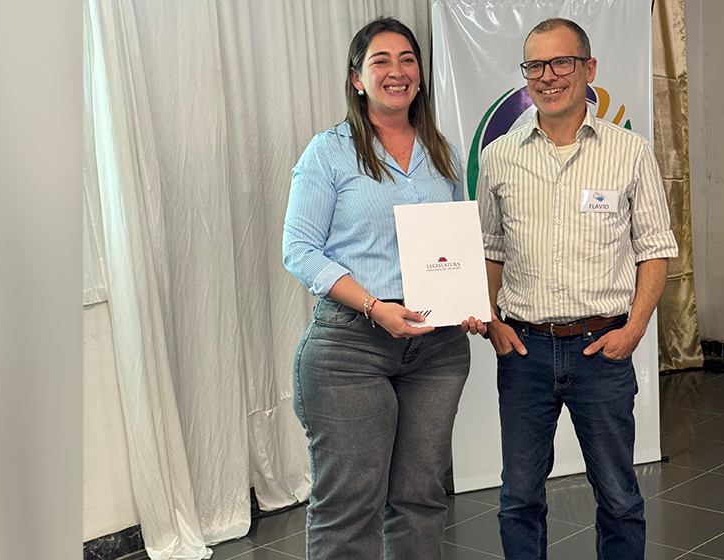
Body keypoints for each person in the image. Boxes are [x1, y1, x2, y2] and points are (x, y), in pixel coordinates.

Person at [282, 16, 485, 560]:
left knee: (421, 498)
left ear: (419, 75)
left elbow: (453, 243)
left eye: (408, 60)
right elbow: (299, 249)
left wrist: (466, 300)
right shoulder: (328, 153)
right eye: (381, 61)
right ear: (357, 79)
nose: (397, 71)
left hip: (437, 349)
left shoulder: (442, 152)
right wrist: (375, 306)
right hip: (352, 348)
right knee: (349, 507)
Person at [476, 18, 679, 560]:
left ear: (588, 68)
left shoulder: (630, 151)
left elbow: (654, 249)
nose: (547, 76)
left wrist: (635, 328)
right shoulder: (499, 157)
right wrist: (490, 320)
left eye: (561, 62)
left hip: (602, 351)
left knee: (618, 497)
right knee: (519, 498)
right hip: (524, 352)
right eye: (535, 66)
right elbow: (490, 248)